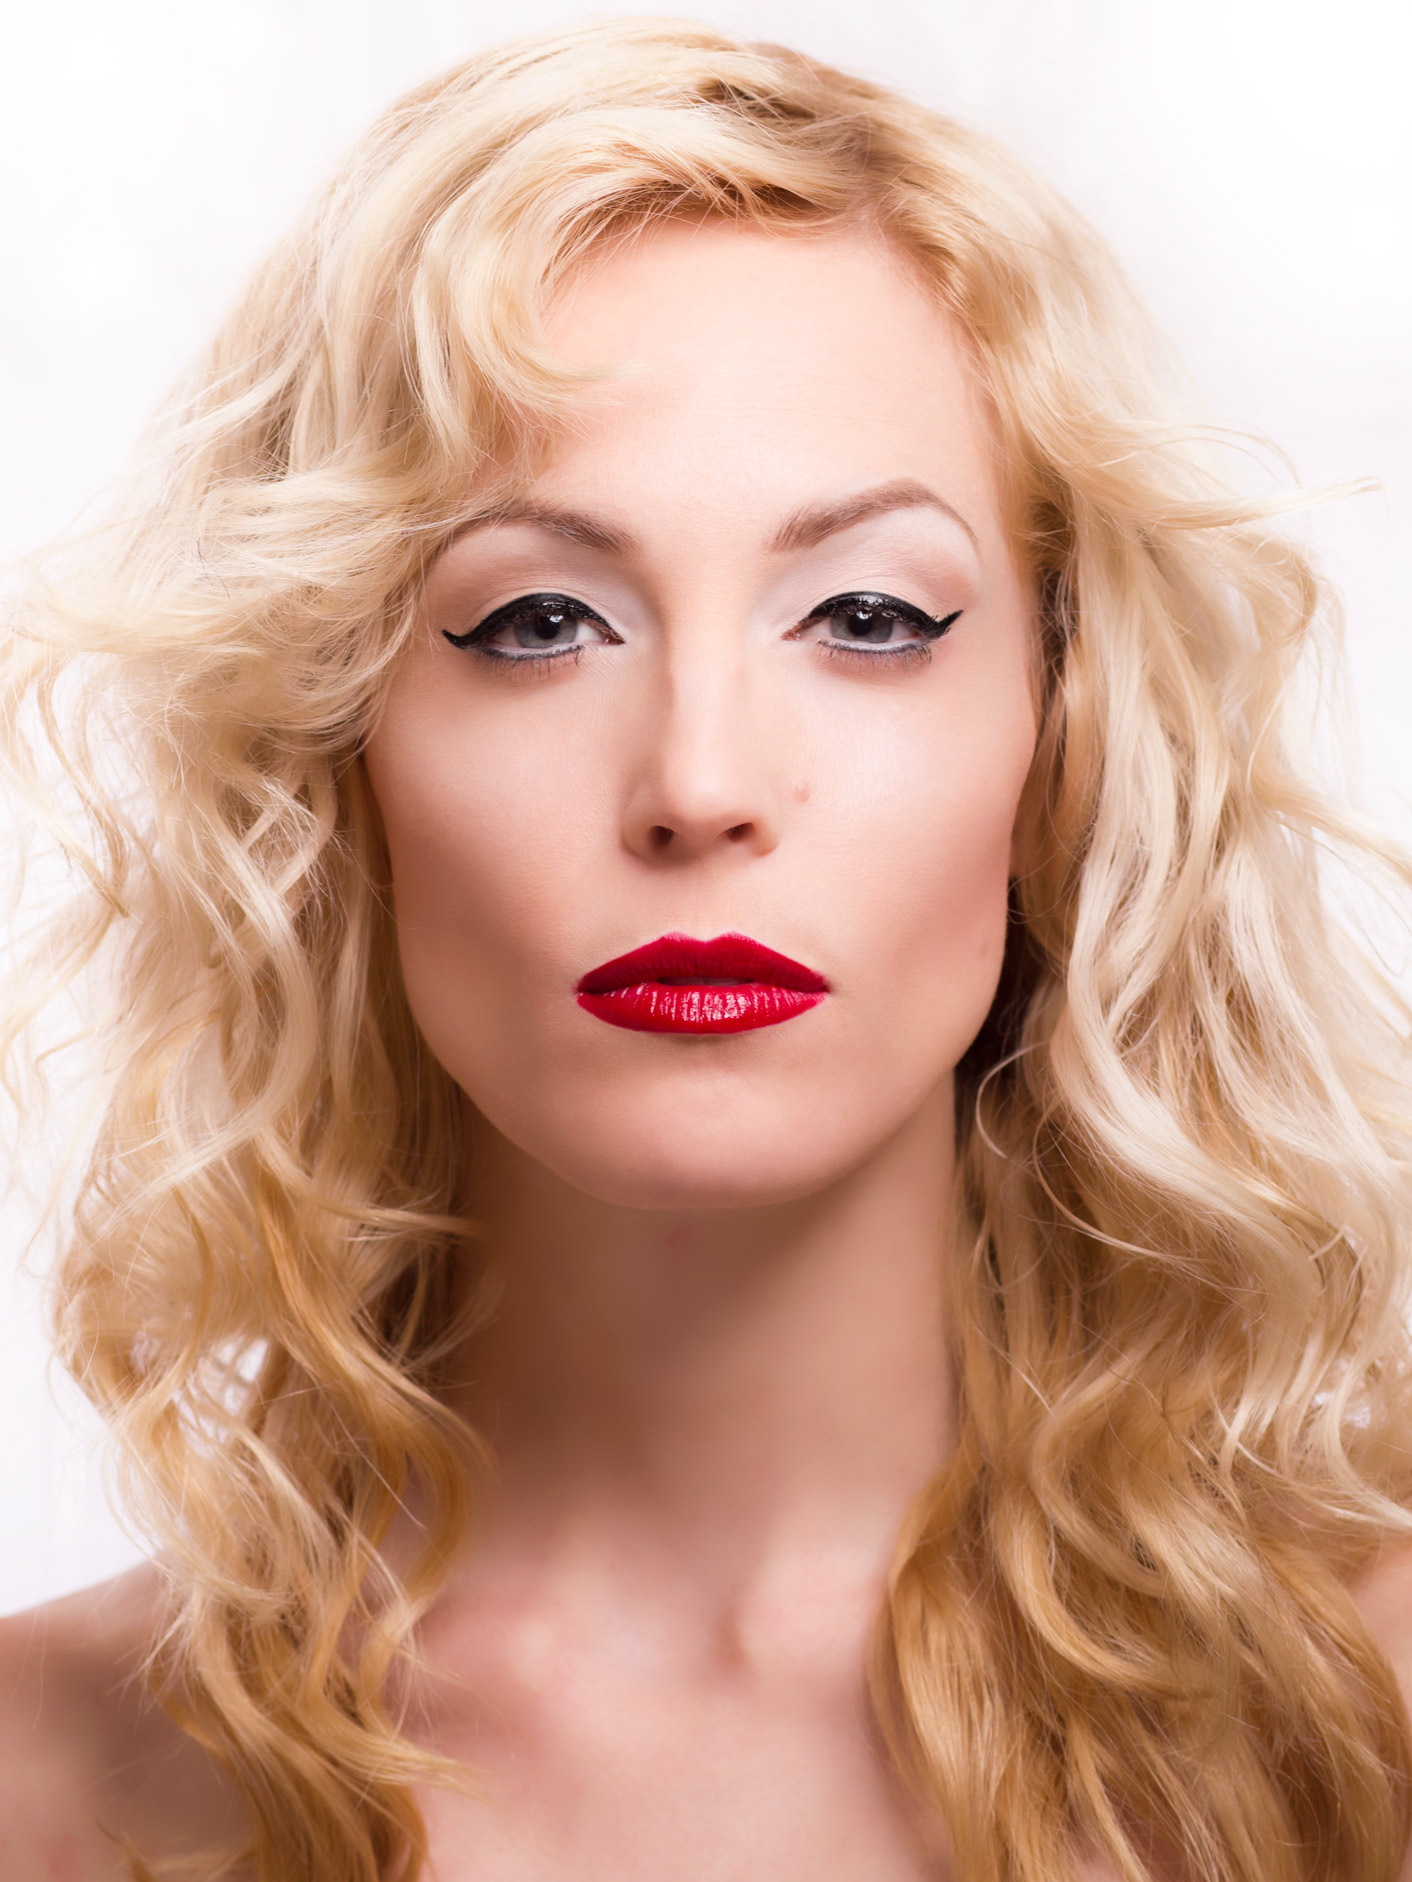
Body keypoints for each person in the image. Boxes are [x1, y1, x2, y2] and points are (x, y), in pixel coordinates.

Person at [3, 18, 1411, 1881]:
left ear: (1064, 741)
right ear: (336, 764)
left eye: (868, 615)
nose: (700, 783)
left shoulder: (1368, 1709)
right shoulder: (46, 1777)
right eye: (538, 622)